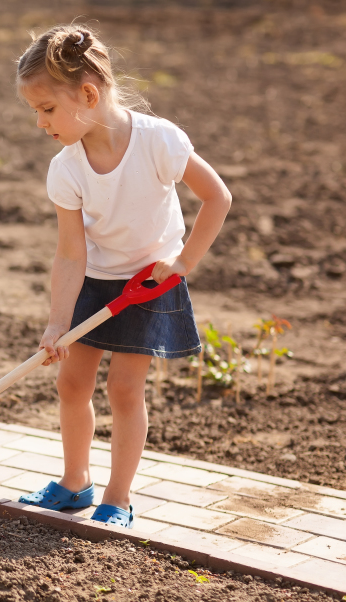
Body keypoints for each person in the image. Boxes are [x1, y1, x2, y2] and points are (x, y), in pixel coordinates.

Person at [13, 25, 232, 527]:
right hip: (94, 282)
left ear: (87, 95)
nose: (40, 123)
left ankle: (119, 495)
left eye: (46, 110)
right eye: (36, 113)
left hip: (147, 285)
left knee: (125, 391)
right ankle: (75, 483)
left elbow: (217, 197)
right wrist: (56, 323)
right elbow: (71, 254)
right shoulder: (65, 169)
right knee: (72, 384)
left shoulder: (159, 141)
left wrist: (183, 264)